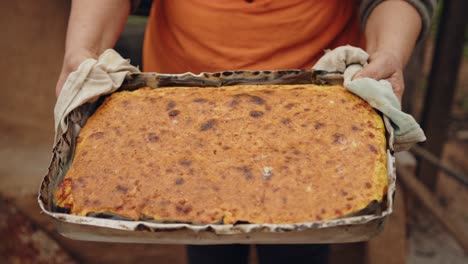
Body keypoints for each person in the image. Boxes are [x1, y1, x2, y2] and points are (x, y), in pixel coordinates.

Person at [55, 0, 435, 263]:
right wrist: (83, 49)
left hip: (319, 118)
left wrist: (390, 49)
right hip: (175, 115)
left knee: (306, 238)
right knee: (196, 228)